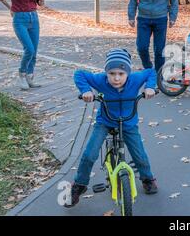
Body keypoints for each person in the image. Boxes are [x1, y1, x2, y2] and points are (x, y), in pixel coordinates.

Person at [66, 49, 158, 208]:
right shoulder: (100, 80)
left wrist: (150, 87)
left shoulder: (135, 79)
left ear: (128, 73)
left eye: (121, 74)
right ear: (106, 72)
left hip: (128, 123)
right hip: (105, 121)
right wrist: (86, 91)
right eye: (112, 73)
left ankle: (147, 179)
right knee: (89, 154)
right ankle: (79, 185)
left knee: (139, 154)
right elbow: (79, 74)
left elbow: (151, 72)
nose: (116, 78)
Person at [0, 0, 47, 90]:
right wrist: (10, 8)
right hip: (20, 19)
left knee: (34, 51)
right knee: (29, 49)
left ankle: (30, 77)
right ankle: (22, 74)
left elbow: (40, 4)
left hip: (34, 18)